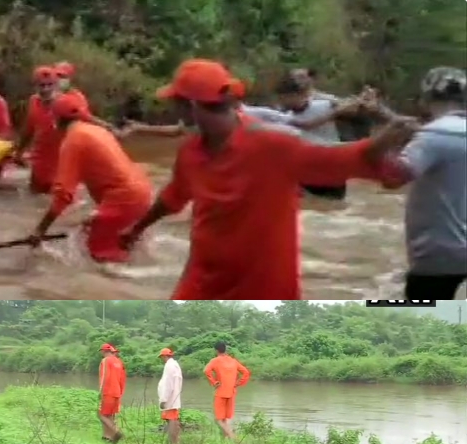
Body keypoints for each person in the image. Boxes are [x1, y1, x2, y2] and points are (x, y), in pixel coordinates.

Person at [120, 59, 419, 299]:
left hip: (263, 290)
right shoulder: (190, 152)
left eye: (177, 103)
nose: (173, 110)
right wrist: (136, 228)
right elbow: (173, 196)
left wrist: (380, 143)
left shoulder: (273, 145)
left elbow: (338, 162)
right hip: (202, 283)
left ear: (193, 106)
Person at [27, 92, 154, 264]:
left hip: (124, 199)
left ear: (56, 120)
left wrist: (40, 230)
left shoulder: (73, 142)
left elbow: (63, 194)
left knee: (102, 258)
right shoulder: (96, 130)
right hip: (142, 192)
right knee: (93, 233)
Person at [374, 67, 467, 299]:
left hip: (440, 251)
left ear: (426, 99)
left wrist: (384, 145)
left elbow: (393, 179)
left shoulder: (433, 135)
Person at [275, 74, 364, 200]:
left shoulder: (324, 105)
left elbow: (354, 110)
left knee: (335, 209)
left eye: (288, 97)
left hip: (332, 168)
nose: (284, 101)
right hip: (306, 171)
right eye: (282, 97)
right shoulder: (282, 116)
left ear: (303, 94)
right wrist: (337, 111)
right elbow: (307, 125)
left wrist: (359, 101)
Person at [12, 65, 62, 194]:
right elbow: (28, 130)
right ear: (35, 86)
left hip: (61, 166)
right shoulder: (33, 101)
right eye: (42, 85)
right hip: (39, 165)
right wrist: (18, 153)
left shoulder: (66, 104)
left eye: (49, 85)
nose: (46, 89)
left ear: (56, 85)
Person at [203, 341, 249, 440]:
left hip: (220, 392)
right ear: (225, 349)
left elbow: (206, 370)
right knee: (225, 418)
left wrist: (214, 382)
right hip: (231, 392)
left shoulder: (215, 361)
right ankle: (225, 440)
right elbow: (246, 372)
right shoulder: (233, 361)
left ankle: (233, 437)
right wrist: (238, 383)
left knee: (218, 419)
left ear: (216, 350)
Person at [97, 343, 126, 443]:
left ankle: (116, 431)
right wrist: (120, 392)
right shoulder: (119, 362)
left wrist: (100, 391)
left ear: (103, 351)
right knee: (110, 415)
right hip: (117, 392)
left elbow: (105, 376)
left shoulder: (105, 361)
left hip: (107, 391)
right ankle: (108, 437)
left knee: (102, 415)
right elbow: (122, 379)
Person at [157, 348, 183, 444]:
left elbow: (168, 385)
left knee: (171, 420)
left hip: (170, 399)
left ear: (164, 356)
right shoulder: (175, 365)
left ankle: (173, 443)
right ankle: (175, 441)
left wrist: (164, 399)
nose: (162, 359)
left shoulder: (169, 366)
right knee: (174, 419)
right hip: (174, 397)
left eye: (162, 357)